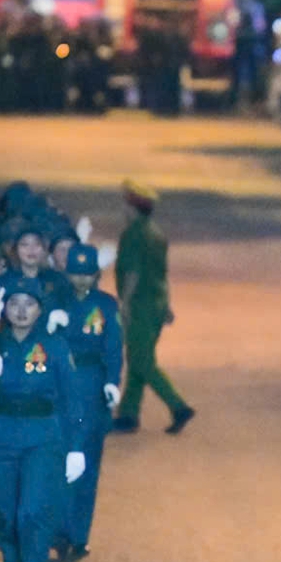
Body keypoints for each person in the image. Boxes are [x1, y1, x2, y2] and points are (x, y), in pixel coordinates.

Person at [0, 272, 88, 562]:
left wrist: (77, 447)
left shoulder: (53, 346)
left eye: (29, 304)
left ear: (39, 310)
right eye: (14, 304)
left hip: (42, 438)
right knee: (8, 519)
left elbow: (73, 401)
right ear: (4, 309)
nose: (21, 311)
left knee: (32, 514)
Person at [53, 244, 122, 557]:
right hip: (59, 386)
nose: (81, 280)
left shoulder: (106, 305)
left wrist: (111, 382)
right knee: (59, 457)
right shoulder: (55, 300)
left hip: (91, 386)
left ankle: (79, 533)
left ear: (97, 274)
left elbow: (113, 346)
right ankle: (60, 528)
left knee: (88, 460)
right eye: (76, 273)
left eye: (87, 274)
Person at [112, 181, 194, 435]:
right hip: (156, 304)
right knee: (140, 357)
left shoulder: (133, 234)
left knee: (141, 360)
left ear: (131, 207)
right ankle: (128, 414)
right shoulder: (156, 233)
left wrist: (124, 303)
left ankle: (178, 405)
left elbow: (133, 272)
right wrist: (167, 304)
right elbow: (162, 272)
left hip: (140, 305)